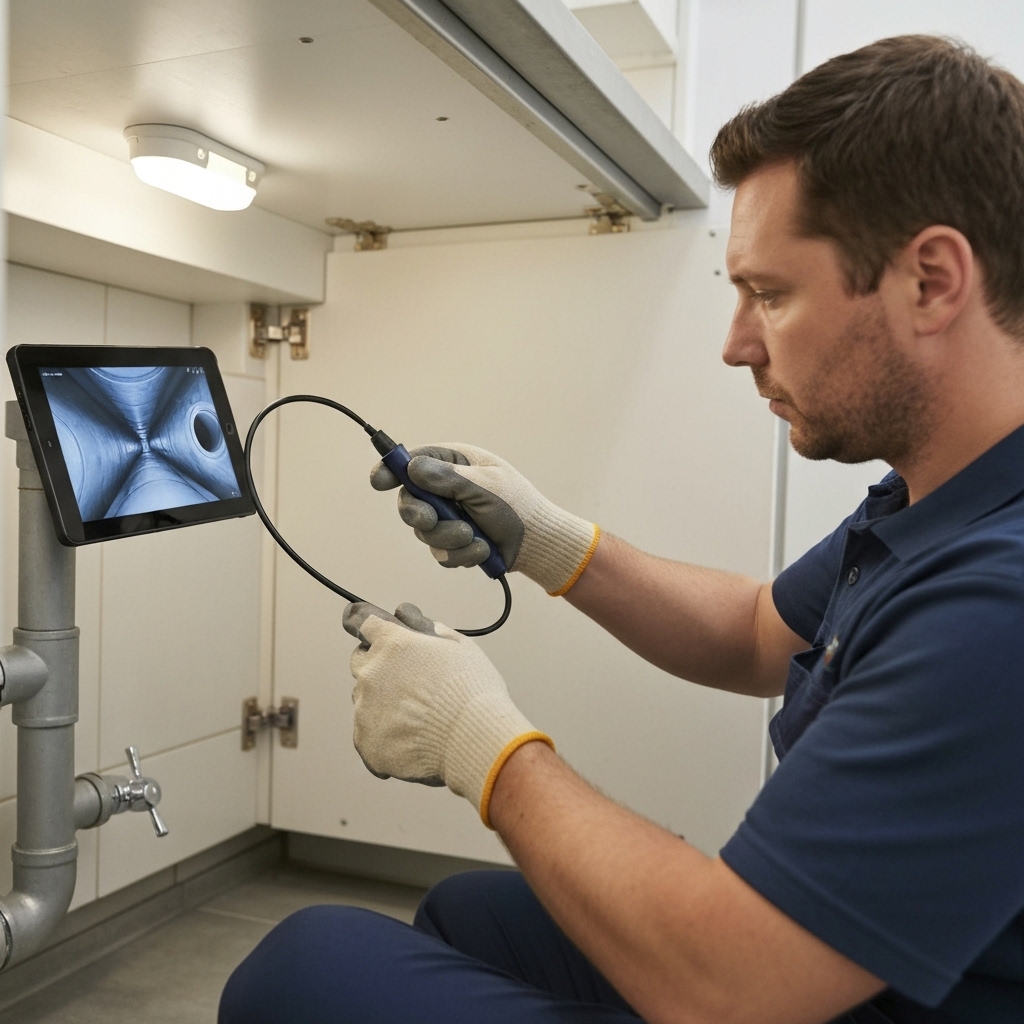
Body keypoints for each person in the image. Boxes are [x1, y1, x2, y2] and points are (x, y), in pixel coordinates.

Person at [219, 35, 1024, 1024]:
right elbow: (757, 631)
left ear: (932, 281)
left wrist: (482, 741)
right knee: (477, 912)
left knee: (300, 967)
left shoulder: (999, 597)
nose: (736, 345)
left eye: (769, 294)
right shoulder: (941, 499)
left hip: (794, 996)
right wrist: (550, 541)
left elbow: (733, 987)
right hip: (852, 979)